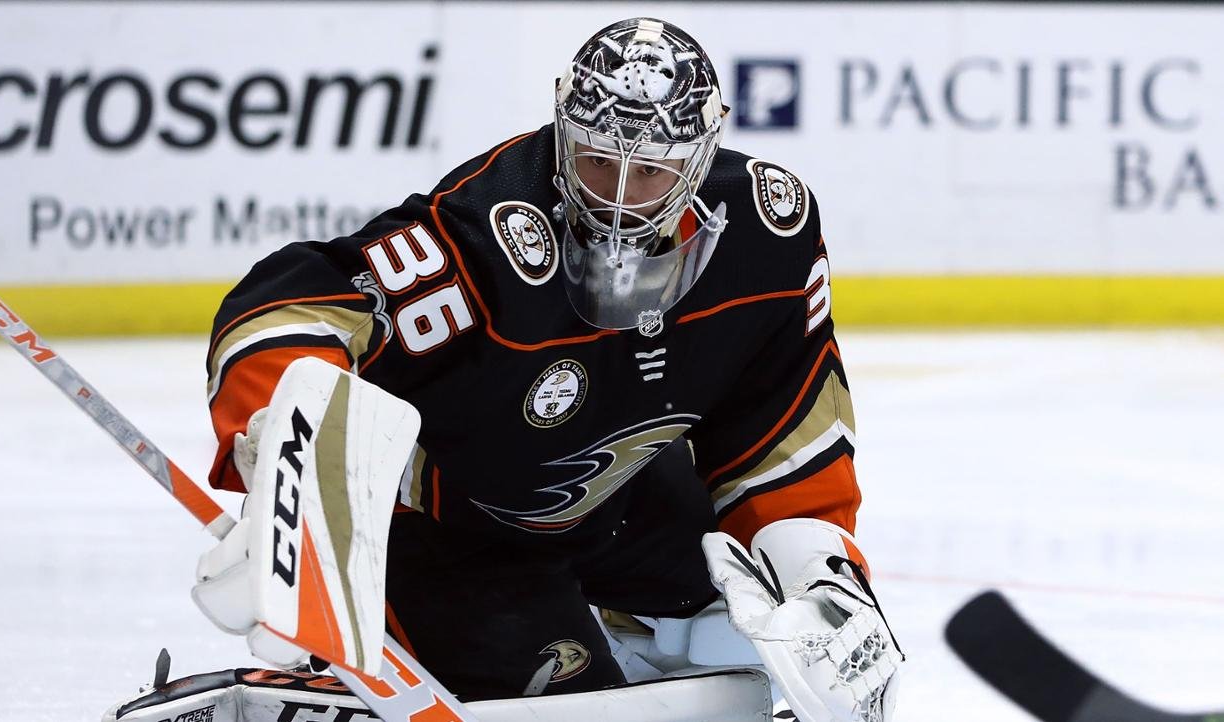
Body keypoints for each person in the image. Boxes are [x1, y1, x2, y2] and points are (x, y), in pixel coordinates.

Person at [193, 17, 902, 722]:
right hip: (453, 528)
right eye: (598, 161)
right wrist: (287, 464)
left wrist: (822, 576)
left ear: (699, 158)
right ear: (564, 134)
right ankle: (360, 665)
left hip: (617, 500)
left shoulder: (766, 233)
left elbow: (779, 423)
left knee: (768, 629)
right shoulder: (487, 233)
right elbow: (292, 307)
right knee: (572, 708)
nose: (617, 197)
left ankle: (618, 626)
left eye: (649, 170)